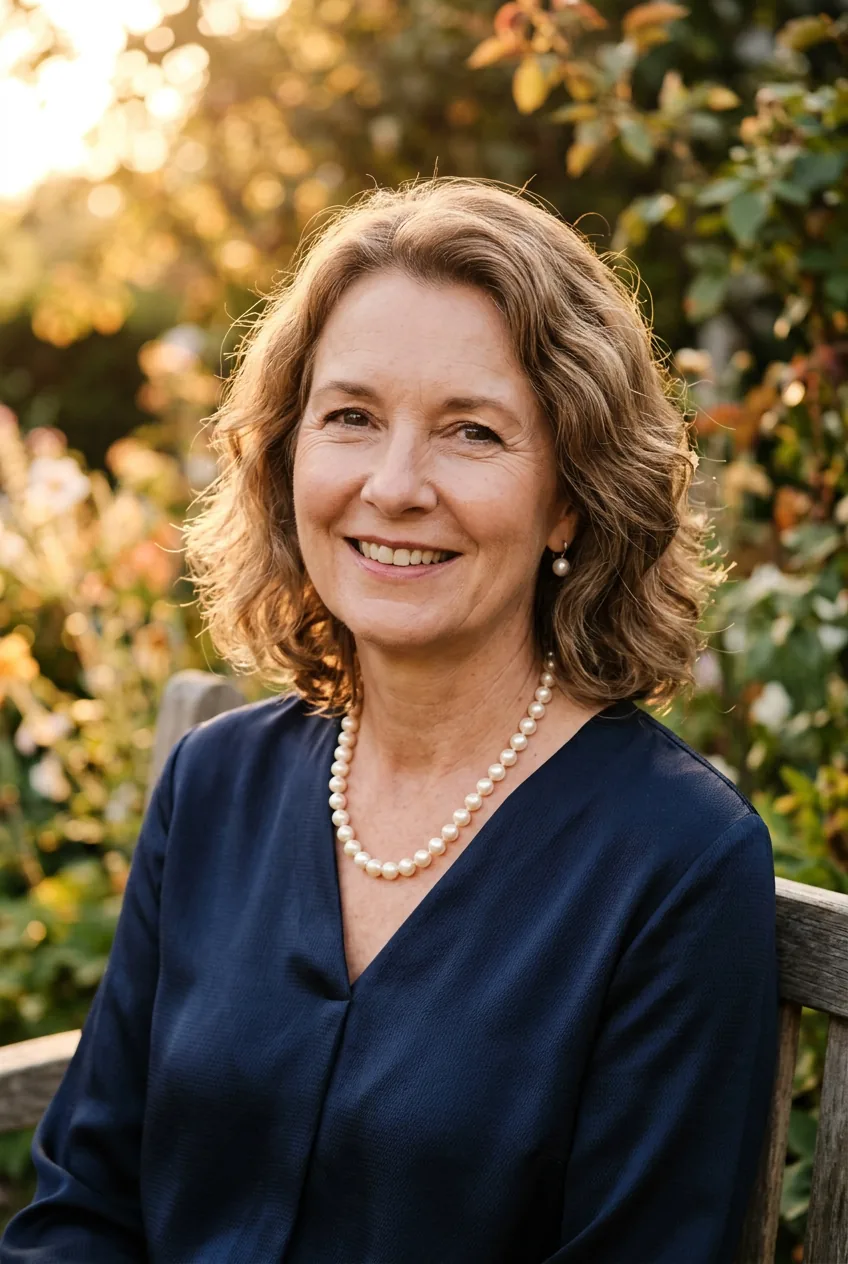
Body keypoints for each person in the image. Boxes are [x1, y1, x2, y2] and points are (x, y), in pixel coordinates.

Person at [0, 177, 778, 1264]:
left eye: (470, 431)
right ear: (286, 456)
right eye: (351, 418)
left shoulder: (673, 862)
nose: (394, 484)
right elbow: (86, 1201)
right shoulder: (214, 784)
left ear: (568, 495)